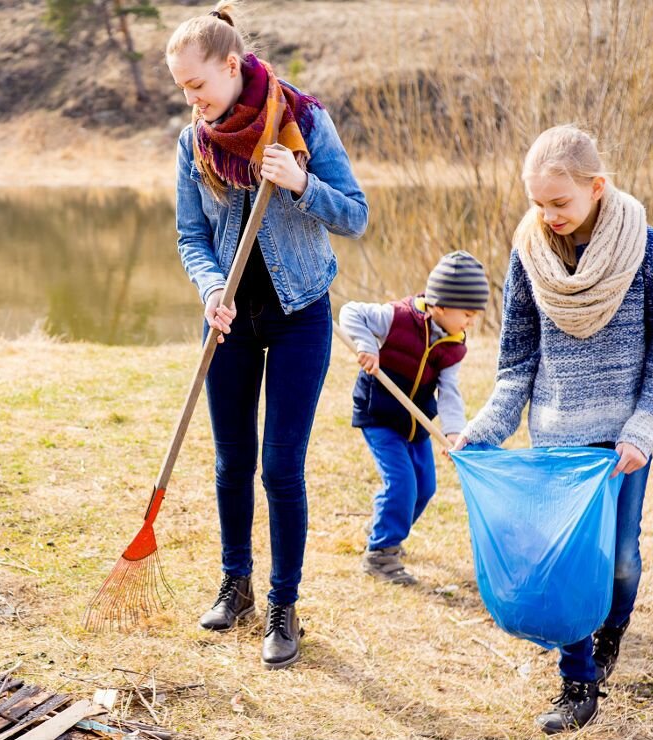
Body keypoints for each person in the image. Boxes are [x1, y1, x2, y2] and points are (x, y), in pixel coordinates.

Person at [454, 124, 653, 734]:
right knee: (563, 566)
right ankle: (577, 683)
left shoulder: (648, 252)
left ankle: (609, 635)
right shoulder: (528, 255)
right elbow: (516, 362)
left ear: (597, 188)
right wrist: (484, 430)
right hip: (555, 443)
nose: (548, 215)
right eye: (537, 203)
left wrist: (642, 434)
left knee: (621, 563)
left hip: (622, 446)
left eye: (560, 202)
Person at [167, 0, 368, 670]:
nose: (191, 101)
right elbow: (192, 238)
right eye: (182, 90)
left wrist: (302, 183)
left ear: (232, 66)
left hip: (299, 314)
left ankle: (284, 606)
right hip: (228, 320)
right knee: (232, 463)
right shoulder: (192, 142)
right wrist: (209, 288)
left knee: (281, 467)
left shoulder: (303, 121)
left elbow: (356, 216)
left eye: (197, 85)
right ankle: (236, 585)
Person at [339, 251, 487, 585]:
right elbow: (350, 313)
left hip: (416, 421)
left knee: (425, 487)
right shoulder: (396, 316)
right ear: (441, 305)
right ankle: (382, 553)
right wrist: (368, 347)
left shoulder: (453, 345)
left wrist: (453, 433)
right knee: (402, 484)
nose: (471, 322)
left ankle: (384, 525)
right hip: (380, 414)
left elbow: (449, 393)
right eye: (467, 313)